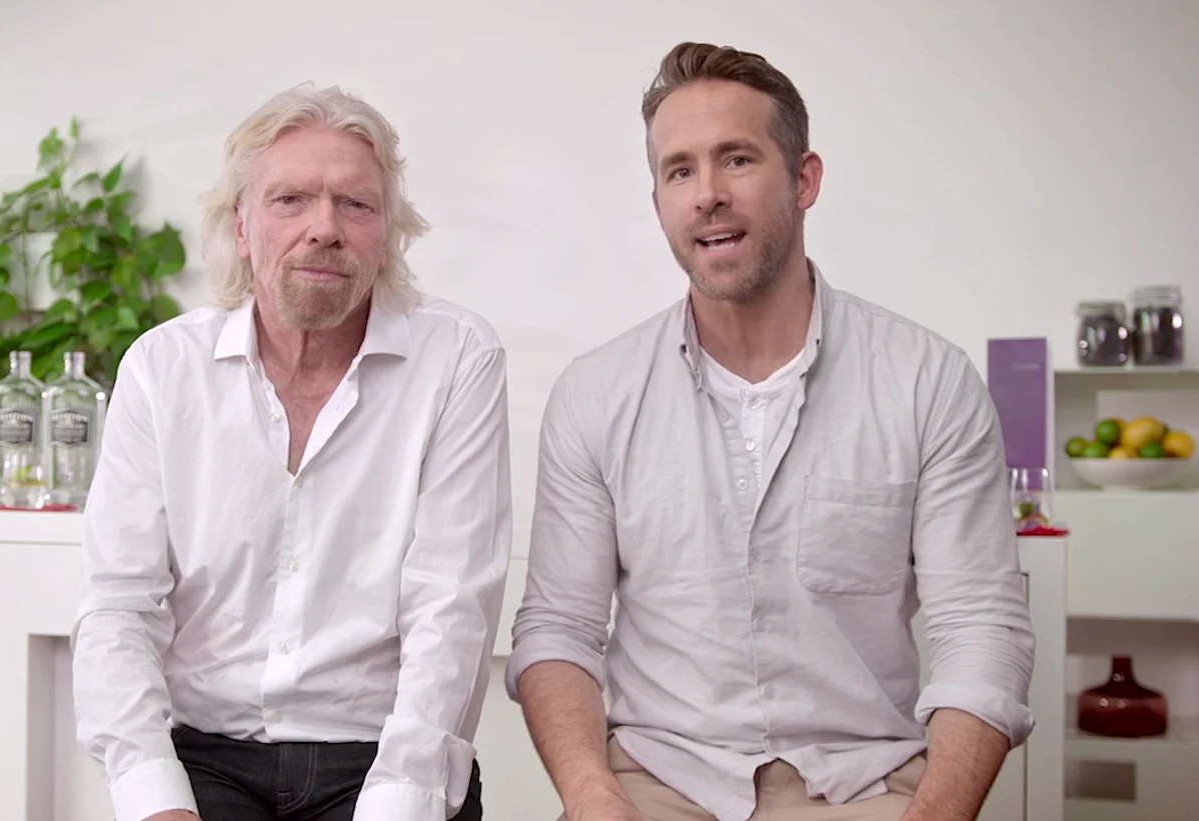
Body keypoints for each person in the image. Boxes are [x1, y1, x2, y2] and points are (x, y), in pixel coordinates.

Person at [507, 41, 1035, 821]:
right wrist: (591, 797)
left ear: (804, 179)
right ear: (658, 203)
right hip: (655, 783)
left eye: (737, 159)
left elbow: (980, 630)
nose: (707, 195)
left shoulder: (929, 381)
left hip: (864, 787)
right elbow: (559, 628)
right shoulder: (595, 395)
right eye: (679, 171)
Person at [71, 83, 512, 821]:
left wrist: (399, 803)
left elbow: (452, 606)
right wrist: (155, 798)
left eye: (356, 204)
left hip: (383, 755)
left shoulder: (458, 357)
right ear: (242, 226)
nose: (325, 228)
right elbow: (118, 605)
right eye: (290, 200)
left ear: (387, 232)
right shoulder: (161, 368)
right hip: (205, 755)